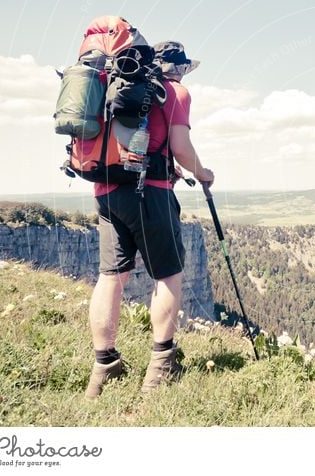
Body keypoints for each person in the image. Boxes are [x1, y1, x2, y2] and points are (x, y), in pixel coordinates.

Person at [85, 41, 214, 399]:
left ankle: (104, 365)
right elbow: (182, 147)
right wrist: (202, 172)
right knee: (168, 273)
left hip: (107, 190)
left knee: (111, 275)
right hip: (150, 192)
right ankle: (161, 365)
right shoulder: (174, 92)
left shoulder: (117, 85)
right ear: (180, 67)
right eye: (185, 69)